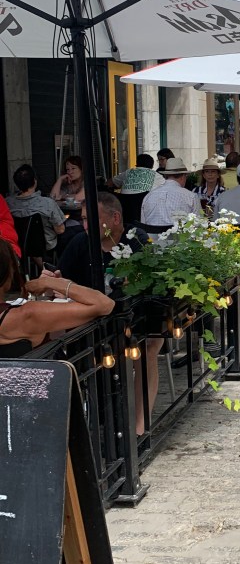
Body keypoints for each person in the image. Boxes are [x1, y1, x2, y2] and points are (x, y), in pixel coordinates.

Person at [58, 193, 159, 435]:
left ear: (115, 218)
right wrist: (55, 280)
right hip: (90, 322)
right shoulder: (80, 242)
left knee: (148, 348)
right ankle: (78, 427)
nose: (86, 225)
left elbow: (148, 283)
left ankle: (139, 429)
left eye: (92, 219)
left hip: (132, 319)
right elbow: (63, 278)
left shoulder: (135, 240)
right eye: (84, 219)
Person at [0, 239, 114, 358]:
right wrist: (51, 282)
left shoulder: (21, 314)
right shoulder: (26, 315)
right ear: (7, 271)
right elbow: (104, 304)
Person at [6, 164, 66, 253]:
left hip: (18, 245)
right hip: (45, 247)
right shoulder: (48, 203)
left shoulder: (7, 203)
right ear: (34, 181)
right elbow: (60, 230)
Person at [141, 157, 201, 227]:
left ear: (166, 175)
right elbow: (198, 224)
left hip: (151, 234)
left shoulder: (149, 196)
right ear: (183, 177)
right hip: (179, 234)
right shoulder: (191, 197)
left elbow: (143, 224)